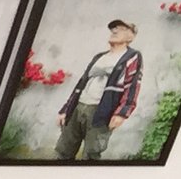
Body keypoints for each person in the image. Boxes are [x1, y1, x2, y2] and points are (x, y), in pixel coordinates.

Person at [56, 18, 143, 159]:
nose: (114, 31)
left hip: (101, 110)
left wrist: (122, 113)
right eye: (113, 29)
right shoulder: (99, 57)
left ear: (131, 36)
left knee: (91, 154)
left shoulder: (132, 57)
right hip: (79, 107)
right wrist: (66, 109)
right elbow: (81, 84)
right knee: (63, 151)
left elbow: (133, 86)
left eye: (121, 29)